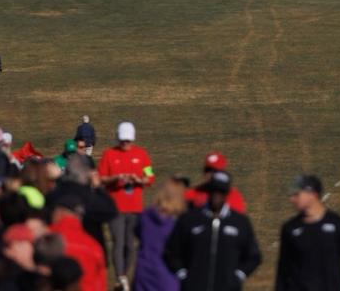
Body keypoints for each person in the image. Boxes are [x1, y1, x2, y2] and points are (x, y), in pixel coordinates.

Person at [163, 171, 261, 291]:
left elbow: (254, 256)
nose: (216, 195)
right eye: (213, 190)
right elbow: (171, 252)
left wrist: (238, 276)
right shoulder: (190, 219)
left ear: (227, 193)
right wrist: (183, 275)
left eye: (221, 191)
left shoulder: (240, 222)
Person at [275, 174, 340, 291]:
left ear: (312, 195)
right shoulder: (290, 228)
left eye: (297, 194)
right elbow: (283, 268)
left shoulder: (337, 223)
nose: (292, 199)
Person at [99, 122, 156, 291]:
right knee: (118, 241)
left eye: (128, 141)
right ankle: (120, 277)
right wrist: (115, 179)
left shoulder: (142, 154)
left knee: (130, 244)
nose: (125, 144)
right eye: (123, 140)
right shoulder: (109, 154)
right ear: (118, 138)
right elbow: (101, 178)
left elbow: (150, 176)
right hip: (115, 208)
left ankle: (123, 275)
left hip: (135, 208)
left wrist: (140, 180)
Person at [134, 177, 188, 291]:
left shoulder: (145, 216)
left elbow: (137, 232)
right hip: (167, 277)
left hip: (143, 274)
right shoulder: (177, 223)